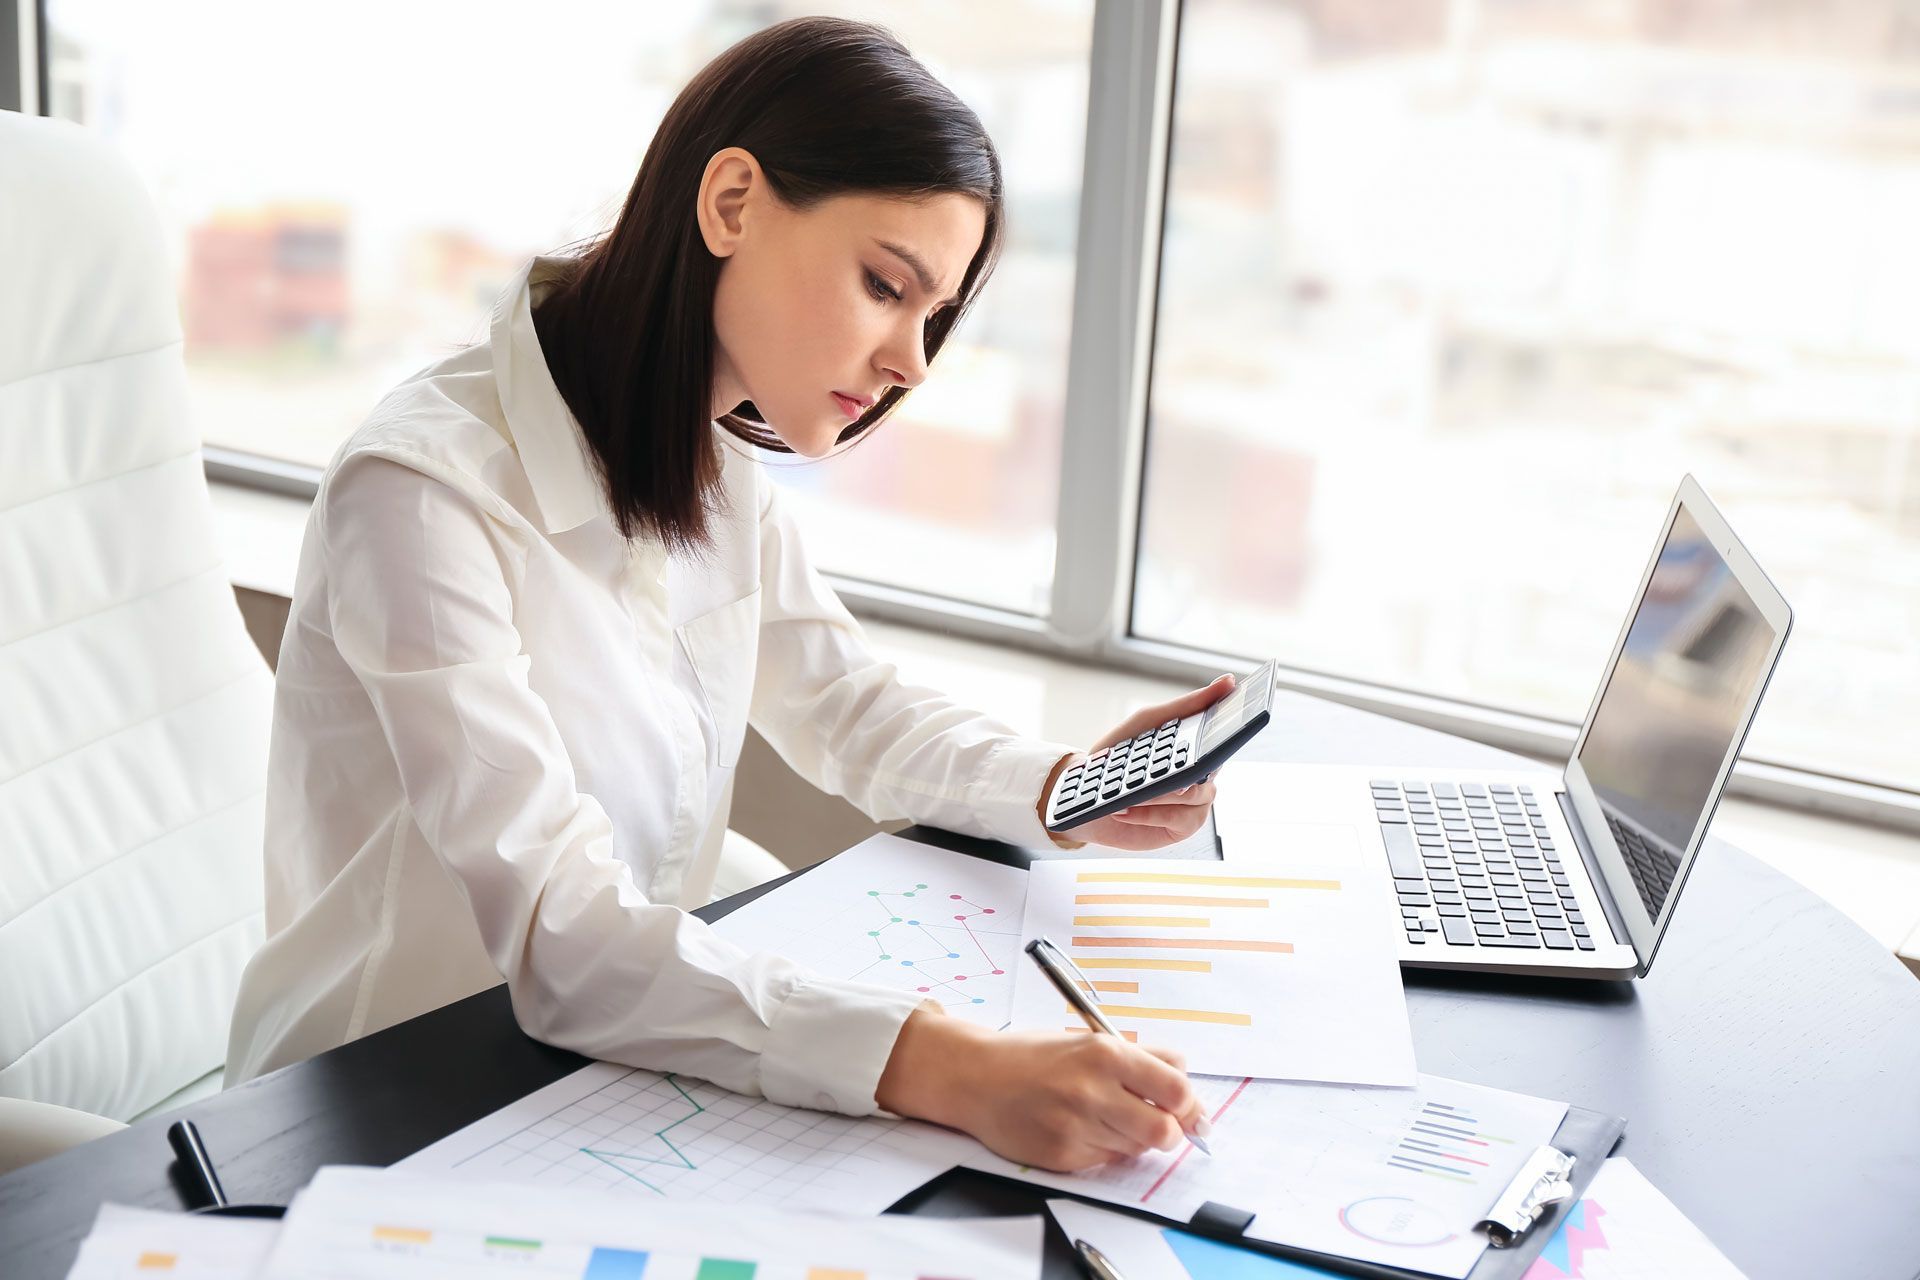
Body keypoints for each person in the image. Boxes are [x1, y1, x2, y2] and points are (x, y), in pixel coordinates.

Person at [226, 16, 1230, 1172]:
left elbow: (849, 704)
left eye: (935, 316)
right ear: (733, 204)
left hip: (609, 1071)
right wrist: (949, 1063)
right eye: (885, 285)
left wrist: (1067, 785)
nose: (914, 360)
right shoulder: (422, 493)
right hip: (383, 1107)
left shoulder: (712, 463)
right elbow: (562, 934)